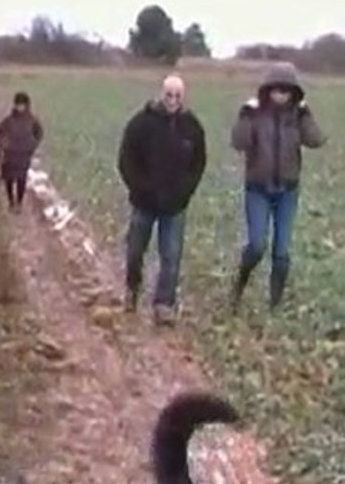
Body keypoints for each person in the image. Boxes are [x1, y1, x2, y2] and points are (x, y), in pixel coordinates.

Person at [229, 61, 326, 309]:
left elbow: (316, 140)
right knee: (257, 245)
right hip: (258, 190)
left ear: (293, 92)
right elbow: (239, 142)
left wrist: (306, 114)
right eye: (276, 89)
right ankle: (239, 284)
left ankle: (275, 303)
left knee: (282, 252)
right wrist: (245, 114)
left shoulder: (297, 116)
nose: (281, 95)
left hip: (287, 191)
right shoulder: (255, 113)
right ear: (267, 89)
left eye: (286, 90)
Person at [117, 74, 207, 325]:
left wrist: (185, 191)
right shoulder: (141, 124)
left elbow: (198, 164)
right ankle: (132, 290)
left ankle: (163, 304)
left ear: (183, 97)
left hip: (175, 205)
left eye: (178, 95)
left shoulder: (192, 127)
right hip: (143, 202)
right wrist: (140, 187)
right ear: (161, 94)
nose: (173, 100)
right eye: (169, 94)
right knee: (135, 251)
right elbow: (126, 159)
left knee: (171, 255)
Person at [0, 91, 44, 212]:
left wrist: (32, 145)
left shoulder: (32, 120)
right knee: (9, 179)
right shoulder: (8, 120)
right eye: (18, 104)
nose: (20, 107)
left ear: (27, 105)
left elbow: (39, 133)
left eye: (22, 104)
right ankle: (11, 201)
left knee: (21, 179)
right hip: (10, 155)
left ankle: (19, 203)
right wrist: (4, 144)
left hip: (24, 154)